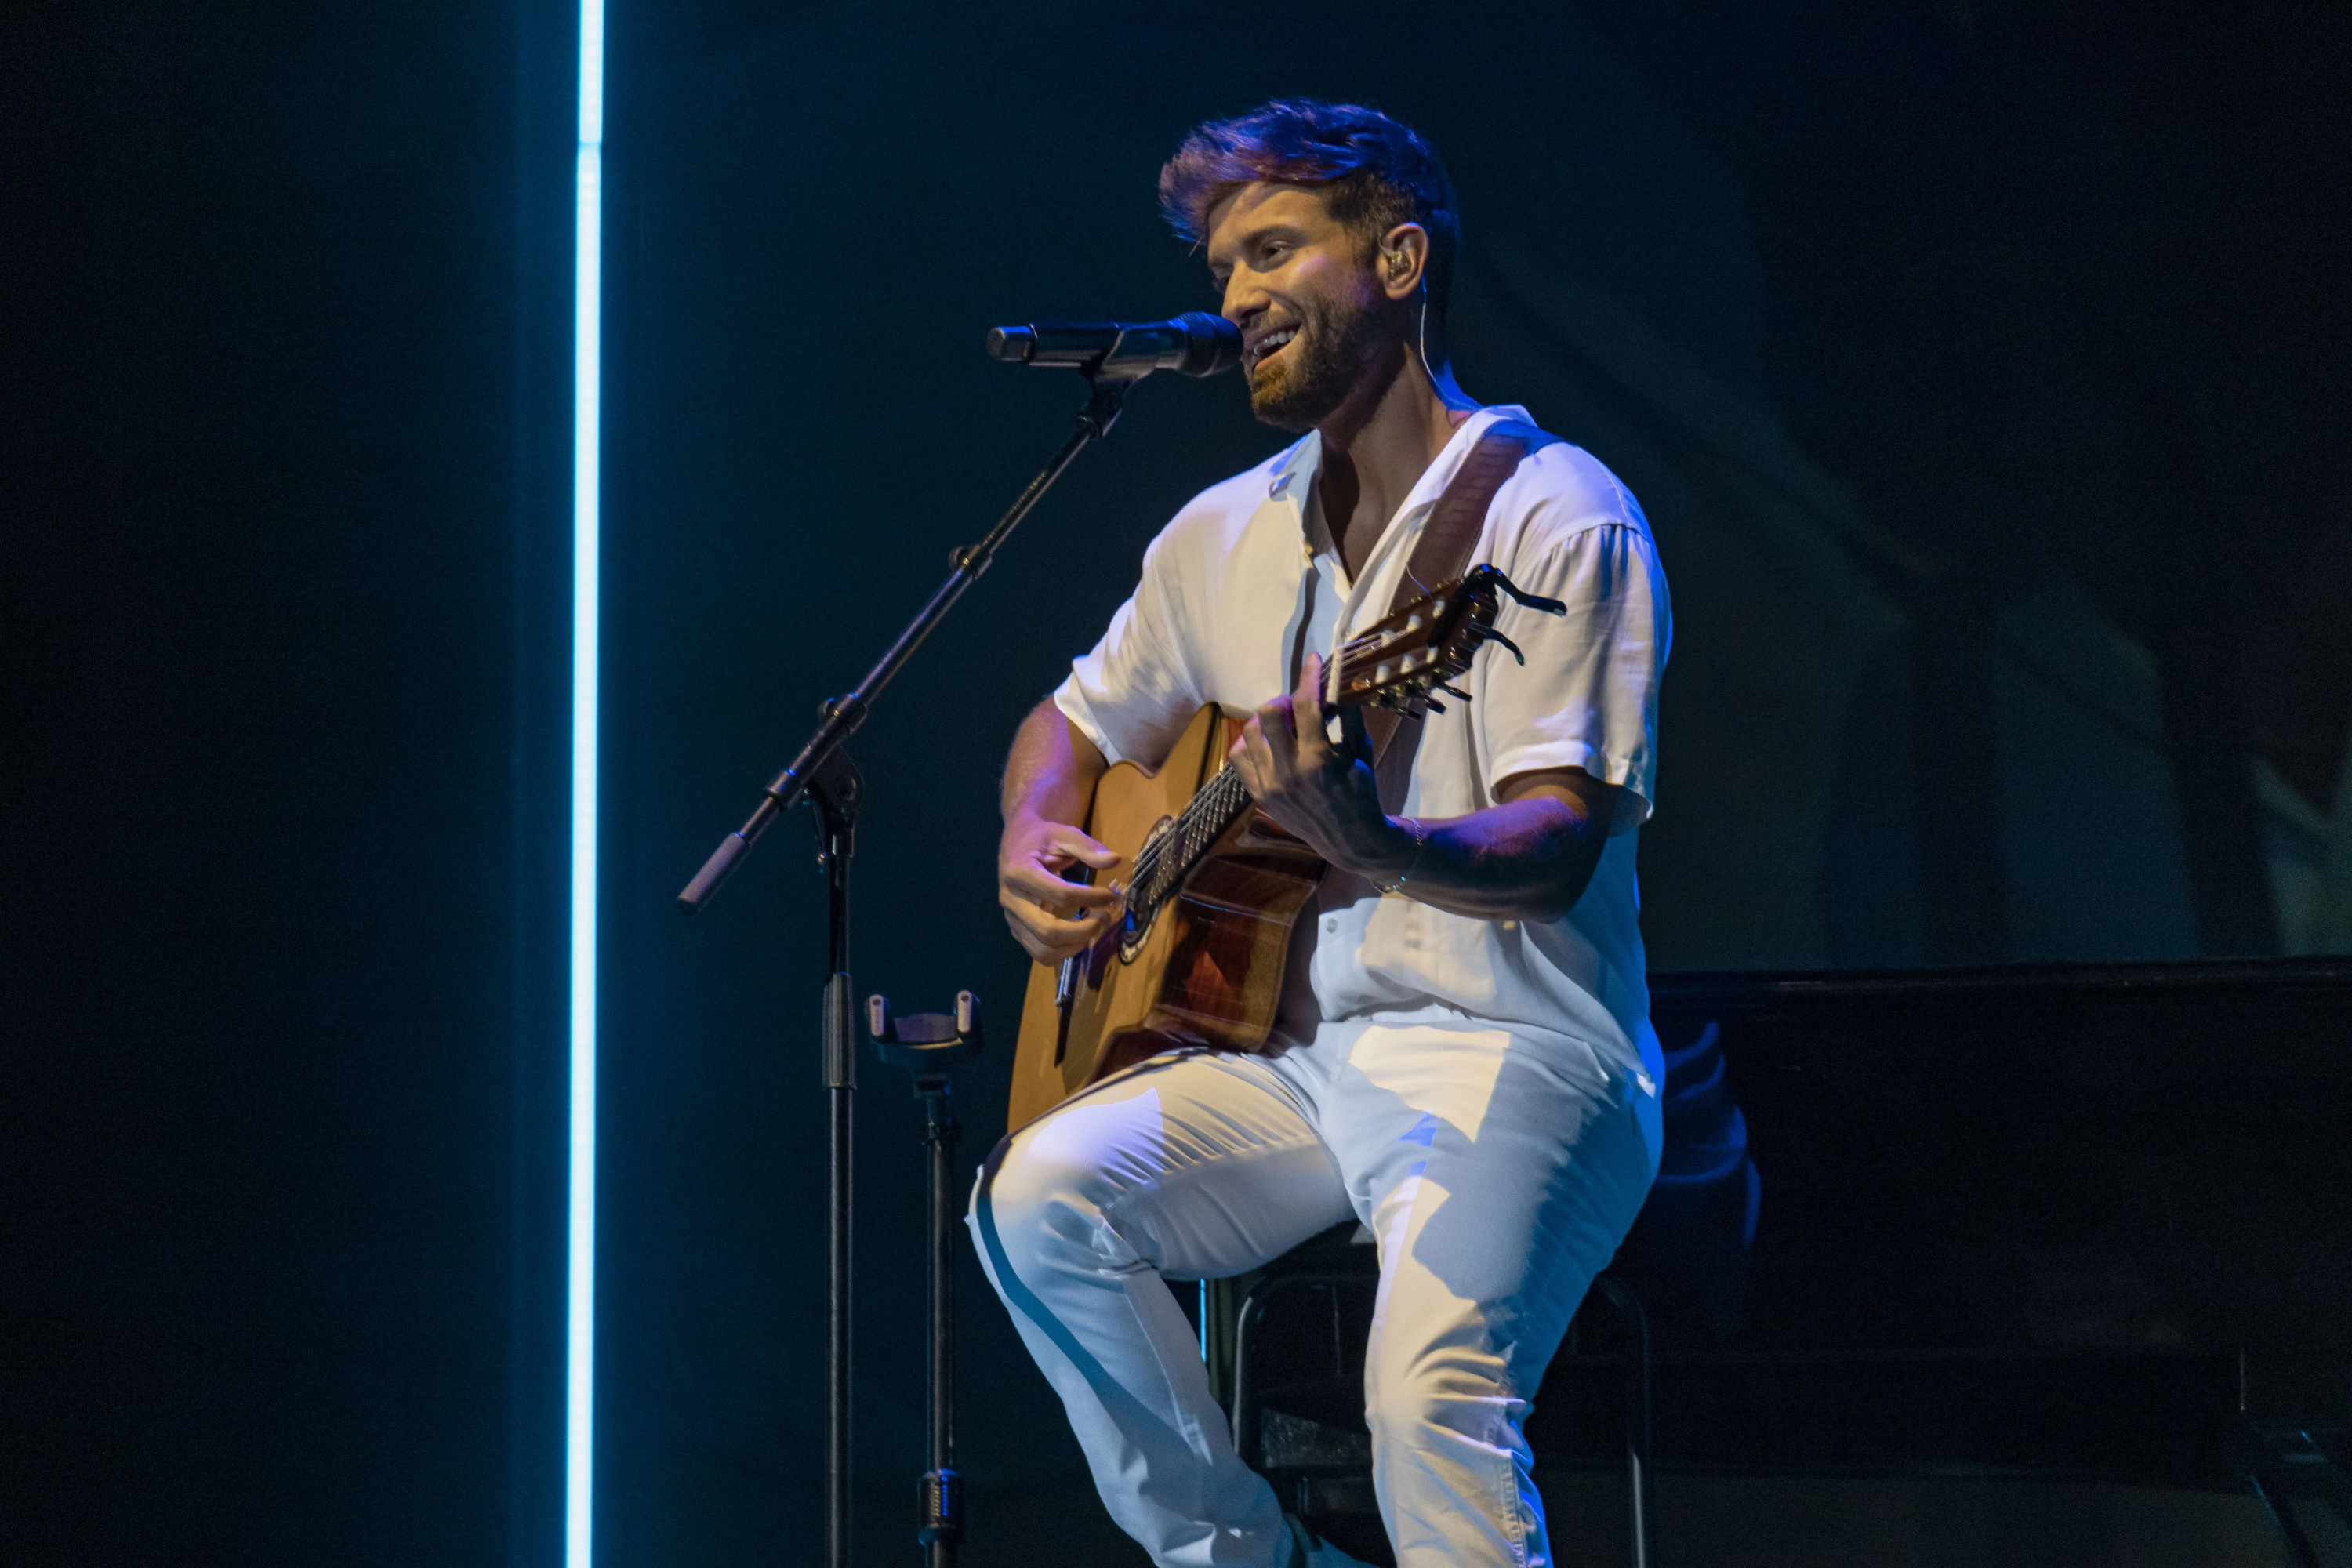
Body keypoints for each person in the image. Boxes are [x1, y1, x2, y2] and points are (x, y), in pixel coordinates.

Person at [972, 100, 1671, 1568]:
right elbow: (1076, 722)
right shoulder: (1221, 532)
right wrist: (1035, 826)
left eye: (1274, 251)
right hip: (1303, 1064)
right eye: (1224, 267)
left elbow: (1554, 849)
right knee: (1033, 1201)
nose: (1234, 300)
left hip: (1526, 1052)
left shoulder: (1556, 518)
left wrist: (1380, 839)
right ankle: (1249, 1560)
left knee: (1423, 1404)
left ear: (1400, 259)